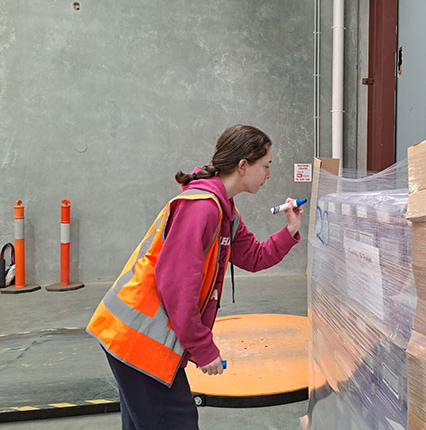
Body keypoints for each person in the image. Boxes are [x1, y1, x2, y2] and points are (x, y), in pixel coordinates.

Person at [87, 124, 303, 430]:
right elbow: (175, 286)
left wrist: (290, 230)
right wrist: (203, 349)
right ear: (243, 165)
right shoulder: (201, 208)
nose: (269, 174)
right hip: (137, 339)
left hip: (139, 337)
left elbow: (253, 256)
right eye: (266, 166)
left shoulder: (224, 208)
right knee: (176, 421)